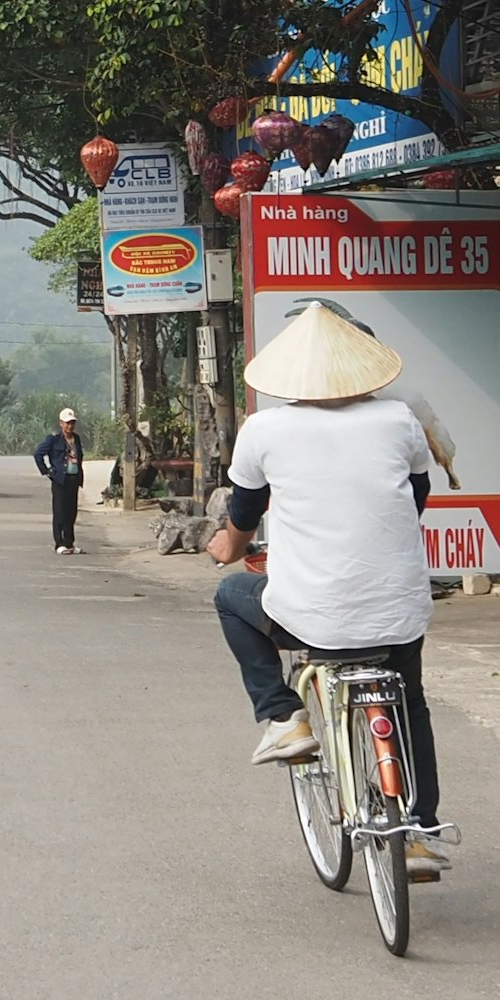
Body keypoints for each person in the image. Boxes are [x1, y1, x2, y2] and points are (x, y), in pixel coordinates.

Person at [205, 301, 455, 877]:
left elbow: (243, 518)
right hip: (399, 610)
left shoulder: (264, 428)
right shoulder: (399, 419)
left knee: (231, 601)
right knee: (409, 697)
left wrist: (228, 548)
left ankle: (285, 716)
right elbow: (413, 500)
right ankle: (420, 827)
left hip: (312, 614)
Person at [32, 405, 89, 552]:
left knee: (72, 512)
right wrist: (47, 471)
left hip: (73, 478)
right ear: (61, 423)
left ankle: (70, 543)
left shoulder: (76, 438)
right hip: (60, 480)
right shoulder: (54, 438)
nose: (70, 426)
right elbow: (38, 454)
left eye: (72, 423)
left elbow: (79, 457)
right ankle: (60, 543)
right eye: (67, 423)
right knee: (60, 512)